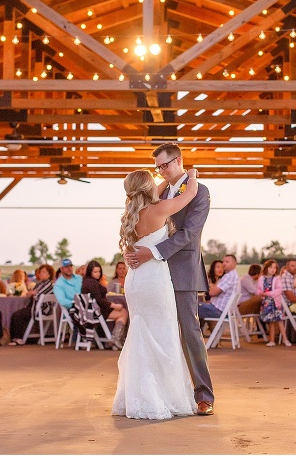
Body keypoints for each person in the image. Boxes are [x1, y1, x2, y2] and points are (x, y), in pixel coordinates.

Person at [118, 144, 212, 418]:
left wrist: (153, 252)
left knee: (189, 333)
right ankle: (163, 394)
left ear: (179, 160)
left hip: (180, 270)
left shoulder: (200, 192)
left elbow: (190, 233)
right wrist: (137, 250)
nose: (162, 171)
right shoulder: (158, 191)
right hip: (152, 275)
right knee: (159, 333)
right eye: (157, 167)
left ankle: (203, 395)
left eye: (166, 165)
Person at [81, 260, 128, 348]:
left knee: (122, 312)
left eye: (99, 271)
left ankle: (115, 339)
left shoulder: (87, 281)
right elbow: (99, 300)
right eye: (95, 272)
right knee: (124, 312)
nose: (98, 274)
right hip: (96, 312)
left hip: (92, 310)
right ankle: (115, 339)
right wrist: (114, 305)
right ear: (90, 271)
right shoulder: (92, 283)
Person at [9, 264, 55, 345]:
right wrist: (33, 293)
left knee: (18, 315)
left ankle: (19, 338)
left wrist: (33, 293)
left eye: (44, 272)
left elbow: (38, 295)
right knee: (15, 314)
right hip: (34, 306)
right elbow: (31, 293)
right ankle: (14, 338)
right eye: (40, 272)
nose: (41, 274)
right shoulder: (40, 283)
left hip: (42, 309)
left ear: (49, 274)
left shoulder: (49, 284)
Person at [197, 254, 239, 332]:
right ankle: (200, 334)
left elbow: (213, 293)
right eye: (224, 261)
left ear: (234, 263)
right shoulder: (233, 275)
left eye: (227, 262)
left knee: (191, 308)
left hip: (218, 311)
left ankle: (195, 336)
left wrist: (210, 290)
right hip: (222, 310)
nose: (224, 264)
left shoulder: (229, 276)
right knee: (197, 307)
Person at [256, 259, 291, 347]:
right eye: (271, 267)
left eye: (274, 268)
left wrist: (268, 293)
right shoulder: (261, 278)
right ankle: (271, 340)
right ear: (266, 268)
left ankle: (285, 339)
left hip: (275, 302)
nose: (273, 269)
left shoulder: (277, 278)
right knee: (271, 322)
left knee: (279, 320)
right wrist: (260, 293)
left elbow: (279, 290)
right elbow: (259, 288)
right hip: (266, 302)